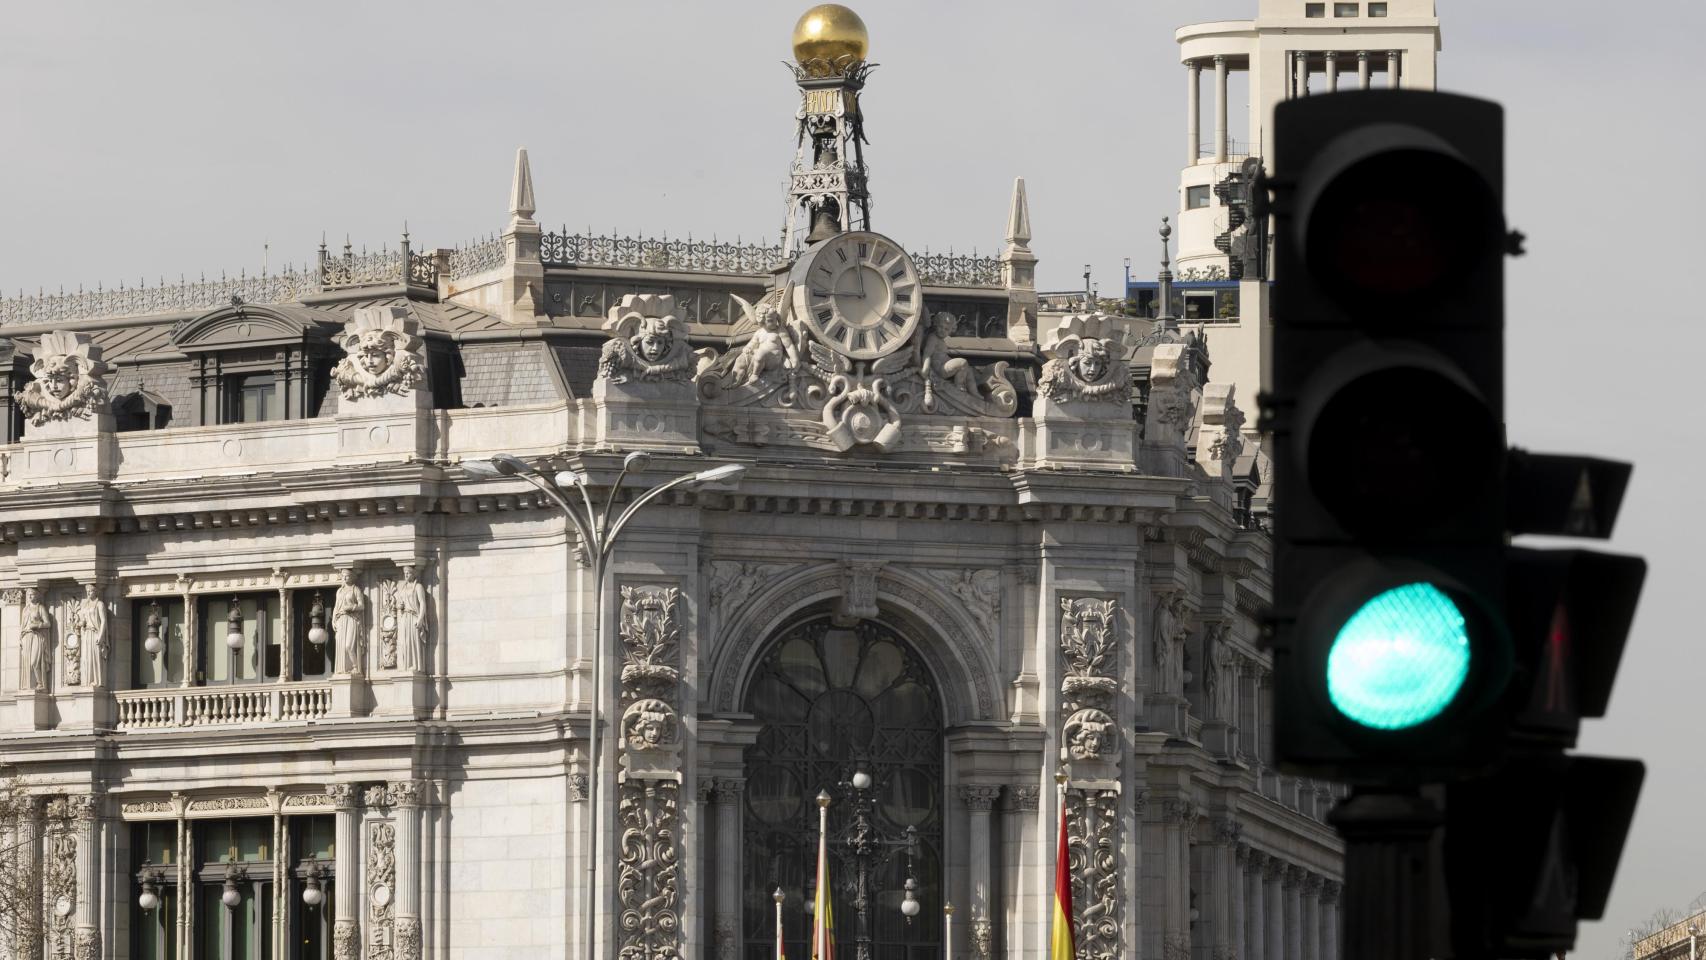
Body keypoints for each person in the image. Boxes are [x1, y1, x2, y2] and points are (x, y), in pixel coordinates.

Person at [332, 568, 367, 677]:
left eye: (347, 576)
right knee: (342, 646)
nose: (345, 578)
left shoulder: (355, 589)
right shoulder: (340, 591)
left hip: (351, 619)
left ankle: (356, 668)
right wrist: (333, 619)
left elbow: (362, 606)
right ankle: (343, 669)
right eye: (343, 576)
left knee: (348, 646)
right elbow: (336, 607)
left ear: (351, 577)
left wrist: (352, 607)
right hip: (341, 619)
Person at [394, 564, 428, 673]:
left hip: (414, 616)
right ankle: (406, 666)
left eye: (408, 573)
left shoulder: (418, 587)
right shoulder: (403, 588)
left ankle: (415, 665)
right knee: (404, 643)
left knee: (413, 641)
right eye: (405, 574)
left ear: (413, 574)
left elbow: (422, 603)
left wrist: (421, 619)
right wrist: (399, 606)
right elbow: (400, 603)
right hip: (405, 617)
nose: (406, 575)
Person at [77, 583, 108, 689]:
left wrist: (101, 635)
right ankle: (88, 681)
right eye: (88, 591)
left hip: (95, 634)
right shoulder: (85, 605)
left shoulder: (100, 604)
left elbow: (103, 620)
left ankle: (97, 680)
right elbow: (83, 620)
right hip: (86, 634)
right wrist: (81, 623)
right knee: (87, 658)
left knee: (95, 658)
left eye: (91, 591)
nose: (89, 593)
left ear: (96, 592)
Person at [21, 587, 51, 691]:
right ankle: (30, 685)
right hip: (27, 637)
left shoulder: (40, 607)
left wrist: (38, 625)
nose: (29, 596)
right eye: (28, 594)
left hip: (37, 636)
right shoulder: (25, 609)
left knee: (34, 662)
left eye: (32, 594)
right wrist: (22, 638)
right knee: (28, 664)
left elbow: (48, 623)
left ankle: (40, 684)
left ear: (37, 596)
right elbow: (23, 625)